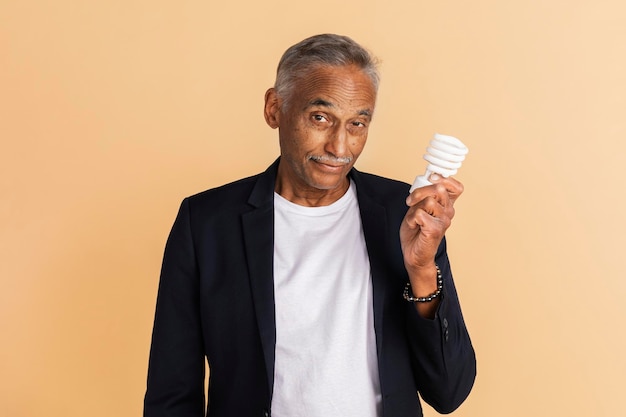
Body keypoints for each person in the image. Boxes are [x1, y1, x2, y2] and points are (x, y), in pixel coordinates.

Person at [144, 33, 476, 417]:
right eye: (320, 118)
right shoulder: (206, 223)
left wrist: (421, 270)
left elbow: (449, 391)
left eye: (357, 124)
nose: (339, 147)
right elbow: (172, 392)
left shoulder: (404, 215)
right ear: (274, 108)